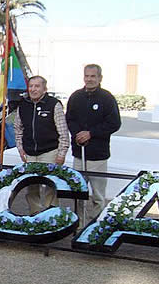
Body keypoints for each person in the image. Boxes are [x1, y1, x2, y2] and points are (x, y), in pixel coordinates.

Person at [66, 64, 121, 219]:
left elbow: (114, 123)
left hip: (98, 156)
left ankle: (94, 228)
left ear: (99, 78)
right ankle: (79, 226)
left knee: (98, 196)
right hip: (79, 154)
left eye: (93, 76)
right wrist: (78, 133)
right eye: (87, 76)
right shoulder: (76, 97)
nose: (89, 79)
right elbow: (69, 119)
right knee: (78, 193)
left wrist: (91, 133)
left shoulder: (107, 98)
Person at [14, 75, 70, 214]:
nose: (33, 89)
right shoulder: (23, 105)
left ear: (44, 89)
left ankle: (51, 215)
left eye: (37, 86)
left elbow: (63, 132)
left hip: (50, 152)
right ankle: (36, 215)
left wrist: (61, 154)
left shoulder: (54, 105)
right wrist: (21, 149)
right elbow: (18, 128)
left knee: (51, 186)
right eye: (31, 86)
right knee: (31, 187)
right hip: (30, 154)